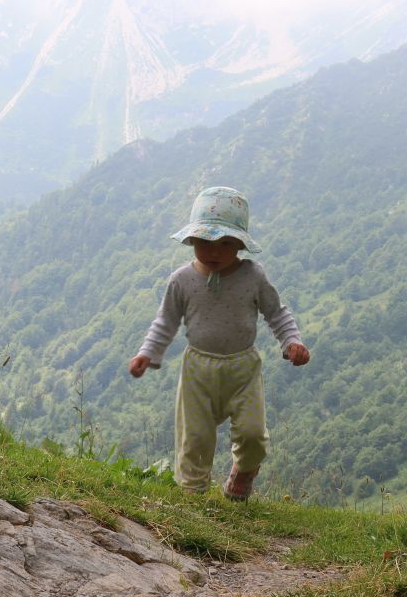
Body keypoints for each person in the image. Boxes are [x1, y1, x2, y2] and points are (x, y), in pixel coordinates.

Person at [128, 186, 309, 502]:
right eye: (205, 243)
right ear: (192, 241)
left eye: (225, 243)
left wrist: (291, 341)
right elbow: (166, 321)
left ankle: (244, 472)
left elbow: (276, 313)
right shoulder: (182, 280)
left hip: (243, 369)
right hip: (199, 369)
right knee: (194, 439)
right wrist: (148, 353)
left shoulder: (253, 276)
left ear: (241, 244)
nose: (214, 251)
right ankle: (193, 500)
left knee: (253, 435)